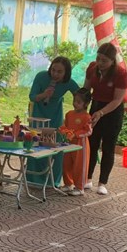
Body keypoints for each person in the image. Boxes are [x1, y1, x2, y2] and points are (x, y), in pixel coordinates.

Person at [26, 56, 79, 188]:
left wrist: (78, 111)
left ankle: (52, 180)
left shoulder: (69, 82)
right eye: (53, 70)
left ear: (66, 73)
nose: (55, 74)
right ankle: (33, 178)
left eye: (59, 72)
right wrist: (44, 94)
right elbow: (32, 96)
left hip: (55, 116)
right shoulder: (41, 76)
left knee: (55, 146)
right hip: (39, 115)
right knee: (36, 144)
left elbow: (80, 95)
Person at [84, 42, 127, 196]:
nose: (100, 63)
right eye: (98, 59)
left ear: (112, 60)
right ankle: (87, 179)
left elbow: (117, 100)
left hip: (112, 111)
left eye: (104, 61)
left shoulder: (120, 73)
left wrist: (101, 113)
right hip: (95, 106)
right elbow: (86, 90)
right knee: (91, 143)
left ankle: (102, 183)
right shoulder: (92, 68)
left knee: (108, 147)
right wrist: (81, 108)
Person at [59, 88, 94, 196]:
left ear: (86, 104)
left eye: (78, 102)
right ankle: (68, 184)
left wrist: (76, 134)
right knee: (66, 164)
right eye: (74, 101)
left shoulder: (87, 117)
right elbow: (65, 125)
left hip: (80, 145)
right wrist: (63, 130)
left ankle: (79, 187)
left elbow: (88, 131)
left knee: (79, 165)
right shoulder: (69, 114)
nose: (75, 104)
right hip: (68, 143)